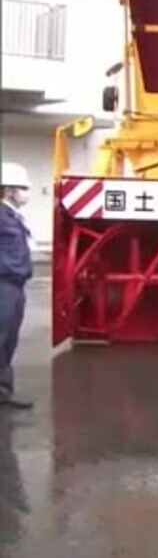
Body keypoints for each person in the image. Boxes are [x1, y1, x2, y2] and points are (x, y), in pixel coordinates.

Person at [0, 162, 35, 410]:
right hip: (4, 283)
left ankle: (3, 390)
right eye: (23, 188)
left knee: (7, 339)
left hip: (14, 285)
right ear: (8, 190)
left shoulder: (11, 215)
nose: (26, 193)